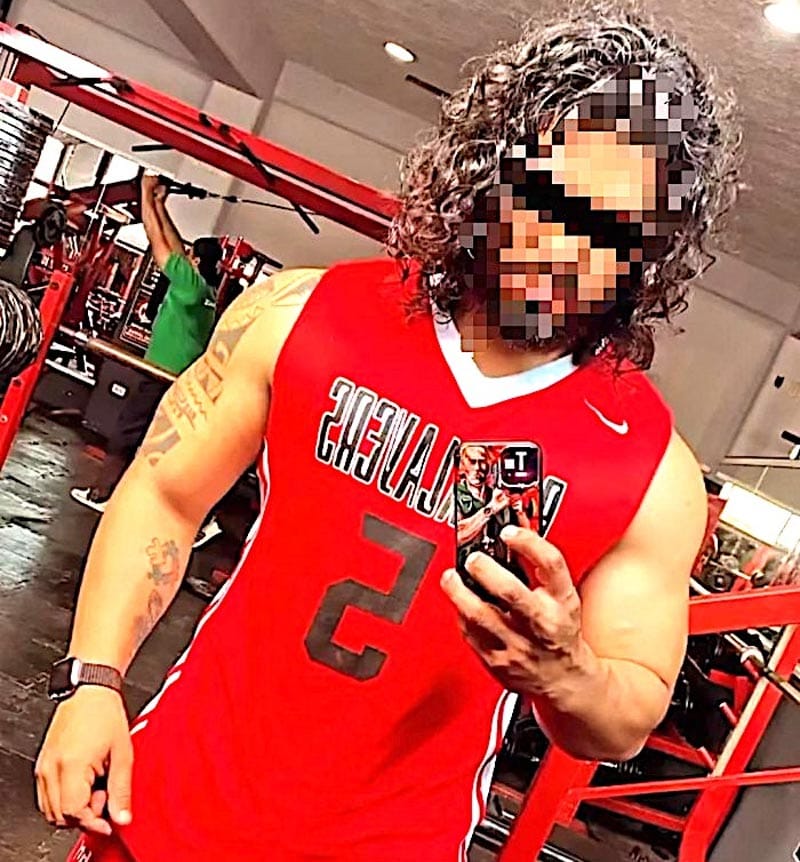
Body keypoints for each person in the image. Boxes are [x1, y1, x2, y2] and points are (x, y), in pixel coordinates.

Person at [36, 5, 741, 861]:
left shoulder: (650, 471)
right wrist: (92, 682)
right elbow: (164, 494)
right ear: (492, 172)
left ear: (649, 255)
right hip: (168, 810)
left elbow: (628, 711)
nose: (567, 246)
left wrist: (567, 673)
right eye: (550, 197)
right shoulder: (301, 314)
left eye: (612, 231)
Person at [71, 174, 223, 549]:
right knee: (167, 448)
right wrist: (158, 203)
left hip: (159, 376)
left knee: (126, 433)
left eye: (190, 254)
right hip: (174, 379)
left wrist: (144, 192)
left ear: (196, 261)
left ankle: (104, 494)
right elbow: (173, 243)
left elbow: (159, 244)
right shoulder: (204, 290)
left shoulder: (190, 285)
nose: (184, 255)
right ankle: (203, 521)